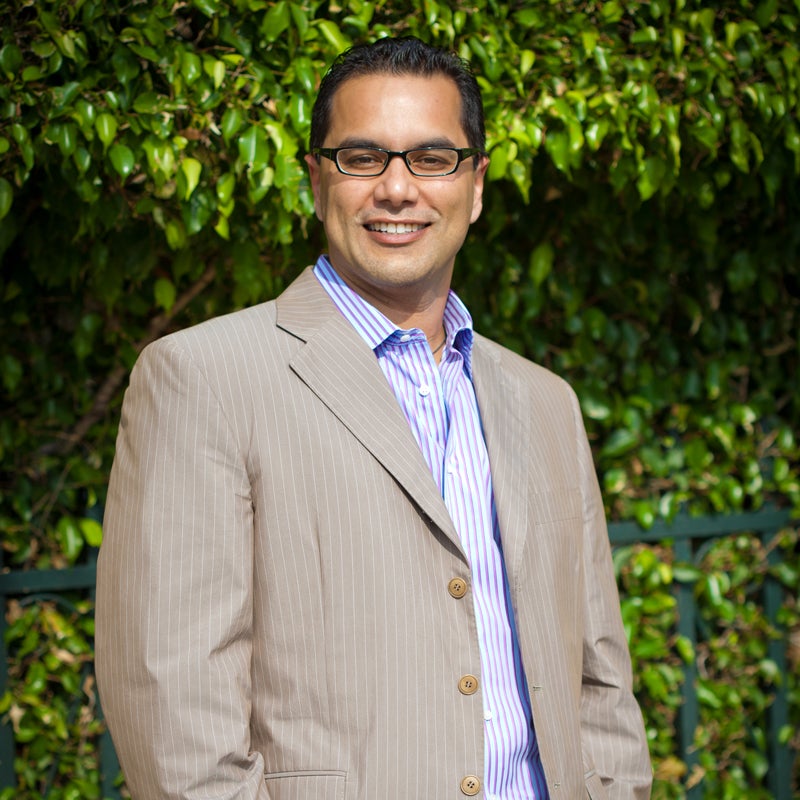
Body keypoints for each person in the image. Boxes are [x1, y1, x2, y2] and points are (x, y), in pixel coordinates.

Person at [95, 36, 652, 800]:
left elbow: (599, 675)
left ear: (476, 185)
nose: (397, 188)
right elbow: (169, 700)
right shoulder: (202, 378)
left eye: (432, 158)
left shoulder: (544, 401)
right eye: (362, 157)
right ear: (317, 180)